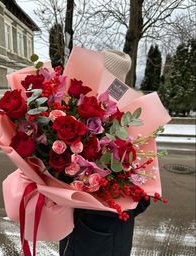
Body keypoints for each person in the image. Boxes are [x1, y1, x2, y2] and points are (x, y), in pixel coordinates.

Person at [59, 50, 151, 256]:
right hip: (71, 231)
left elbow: (145, 196)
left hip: (110, 236)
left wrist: (106, 200)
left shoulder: (138, 122)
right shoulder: (76, 111)